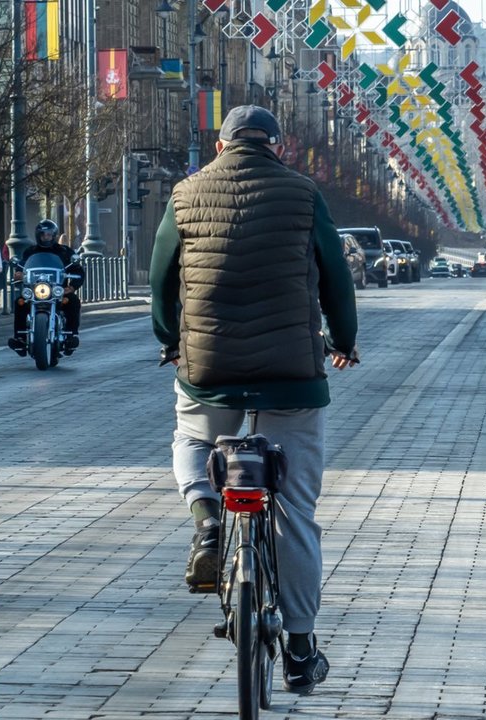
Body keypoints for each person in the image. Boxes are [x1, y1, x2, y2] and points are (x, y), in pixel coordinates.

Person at [150, 104, 358, 695]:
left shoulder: (185, 194)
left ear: (221, 146)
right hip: (292, 374)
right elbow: (336, 276)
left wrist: (170, 340)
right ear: (277, 147)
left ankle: (207, 520)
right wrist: (343, 341)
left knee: (193, 438)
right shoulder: (304, 193)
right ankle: (300, 647)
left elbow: (162, 276)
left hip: (210, 367)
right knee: (294, 509)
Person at [7, 219, 84, 356]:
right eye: (43, 234)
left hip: (58, 291)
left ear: (54, 235)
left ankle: (71, 336)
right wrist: (18, 274)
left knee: (73, 301)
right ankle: (20, 338)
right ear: (39, 235)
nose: (46, 237)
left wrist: (72, 287)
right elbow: (22, 266)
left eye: (49, 234)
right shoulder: (30, 251)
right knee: (20, 302)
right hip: (35, 290)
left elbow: (78, 270)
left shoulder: (64, 251)